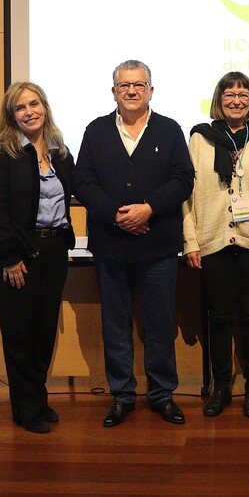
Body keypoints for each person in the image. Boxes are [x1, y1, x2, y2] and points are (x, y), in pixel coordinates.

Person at [73, 60, 194, 427]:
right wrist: (116, 215)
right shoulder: (96, 131)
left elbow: (183, 179)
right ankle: (122, 395)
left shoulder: (169, 130)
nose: (131, 91)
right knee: (115, 324)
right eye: (124, 85)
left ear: (150, 91)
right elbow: (83, 181)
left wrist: (149, 209)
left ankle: (162, 395)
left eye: (139, 85)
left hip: (157, 247)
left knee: (160, 324)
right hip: (110, 246)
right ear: (114, 91)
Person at [183, 72, 249, 418]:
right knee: (218, 316)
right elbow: (188, 196)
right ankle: (221, 388)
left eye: (243, 95)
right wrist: (190, 240)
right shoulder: (200, 138)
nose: (236, 100)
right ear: (219, 99)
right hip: (213, 241)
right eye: (229, 94)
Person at [0, 82, 76, 434]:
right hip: (18, 255)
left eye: (34, 104)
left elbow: (77, 192)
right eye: (20, 108)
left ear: (45, 108)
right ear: (11, 116)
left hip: (54, 252)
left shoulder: (60, 152)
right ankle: (25, 408)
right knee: (20, 335)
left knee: (43, 332)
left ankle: (37, 398)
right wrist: (9, 258)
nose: (29, 112)